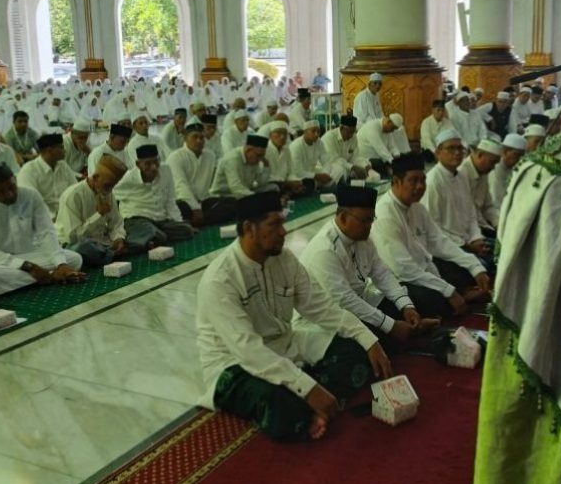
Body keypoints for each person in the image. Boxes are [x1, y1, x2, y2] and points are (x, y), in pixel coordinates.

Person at [196, 191, 393, 441]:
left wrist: (368, 340)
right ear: (249, 229)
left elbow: (323, 308)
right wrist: (307, 387)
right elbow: (247, 349)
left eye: (283, 223)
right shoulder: (220, 280)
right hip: (234, 364)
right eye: (274, 224)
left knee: (355, 354)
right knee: (276, 404)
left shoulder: (284, 260)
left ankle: (305, 404)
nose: (283, 231)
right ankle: (303, 400)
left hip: (285, 343)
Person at [300, 184, 438, 351]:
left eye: (372, 220)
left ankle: (411, 331)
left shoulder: (362, 238)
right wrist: (391, 325)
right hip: (330, 316)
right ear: (343, 218)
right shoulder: (324, 250)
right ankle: (412, 335)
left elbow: (382, 274)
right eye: (364, 220)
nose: (369, 226)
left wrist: (406, 306)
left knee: (417, 298)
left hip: (360, 302)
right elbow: (345, 301)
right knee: (364, 341)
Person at [371, 153, 491, 320]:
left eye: (423, 180)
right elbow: (403, 270)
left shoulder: (417, 207)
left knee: (470, 267)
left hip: (424, 270)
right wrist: (448, 290)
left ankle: (458, 297)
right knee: (431, 298)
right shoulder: (385, 214)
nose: (420, 186)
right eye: (414, 181)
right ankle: (455, 300)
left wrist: (475, 267)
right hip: (399, 281)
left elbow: (440, 243)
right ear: (397, 181)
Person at [0, 164, 86, 297]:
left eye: (12, 187)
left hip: (28, 254)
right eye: (1, 191)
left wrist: (61, 264)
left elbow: (46, 233)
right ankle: (51, 276)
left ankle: (29, 280)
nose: (9, 194)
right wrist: (29, 267)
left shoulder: (31, 196)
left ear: (15, 180)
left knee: (74, 259)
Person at [423, 130, 491, 261]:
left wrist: (476, 238)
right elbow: (433, 228)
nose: (457, 153)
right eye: (451, 148)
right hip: (446, 249)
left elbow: (471, 214)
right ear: (438, 153)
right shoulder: (432, 182)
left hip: (469, 242)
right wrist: (467, 246)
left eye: (460, 148)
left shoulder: (462, 176)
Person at [56, 155, 133, 267]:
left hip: (102, 242)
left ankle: (110, 253)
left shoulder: (107, 192)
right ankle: (113, 254)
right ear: (96, 177)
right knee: (83, 248)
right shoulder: (73, 195)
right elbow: (73, 237)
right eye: (107, 185)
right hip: (75, 244)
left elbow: (116, 222)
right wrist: (99, 215)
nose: (110, 189)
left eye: (113, 186)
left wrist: (118, 238)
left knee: (131, 231)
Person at [114, 144, 195, 248]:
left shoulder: (166, 170)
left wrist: (179, 222)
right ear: (138, 164)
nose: (153, 167)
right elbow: (109, 194)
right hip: (137, 219)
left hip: (160, 220)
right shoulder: (128, 179)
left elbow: (170, 201)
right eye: (148, 164)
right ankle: (137, 243)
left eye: (156, 162)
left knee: (186, 230)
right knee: (152, 231)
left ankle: (150, 240)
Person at [168, 122, 235, 226]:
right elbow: (181, 185)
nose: (199, 141)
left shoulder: (210, 156)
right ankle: (197, 220)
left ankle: (196, 221)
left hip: (204, 201)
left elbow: (216, 182)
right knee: (180, 209)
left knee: (233, 203)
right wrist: (195, 208)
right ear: (185, 138)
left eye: (201, 138)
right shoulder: (175, 157)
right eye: (194, 137)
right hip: (184, 202)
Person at [16, 133, 79, 219]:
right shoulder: (28, 171)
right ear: (50, 151)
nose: (64, 150)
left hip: (67, 214)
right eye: (61, 147)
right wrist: (52, 218)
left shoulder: (63, 166)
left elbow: (75, 190)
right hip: (42, 218)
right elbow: (31, 202)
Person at [209, 134, 276, 198]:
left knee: (273, 187)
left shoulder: (254, 159)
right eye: (258, 155)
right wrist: (256, 198)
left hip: (244, 193)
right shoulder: (232, 159)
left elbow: (261, 183)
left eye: (262, 156)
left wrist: (266, 166)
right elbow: (236, 188)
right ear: (248, 150)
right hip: (224, 196)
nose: (260, 159)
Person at [459, 138, 503, 232]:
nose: (493, 168)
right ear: (480, 155)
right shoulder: (461, 173)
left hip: (480, 226)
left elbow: (488, 206)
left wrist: (499, 224)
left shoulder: (483, 173)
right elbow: (466, 211)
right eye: (492, 162)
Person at [320, 115, 369, 183]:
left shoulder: (353, 137)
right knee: (340, 170)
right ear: (341, 127)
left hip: (345, 166)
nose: (351, 135)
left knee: (364, 164)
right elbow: (334, 160)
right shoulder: (329, 137)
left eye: (353, 132)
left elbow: (355, 157)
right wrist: (352, 167)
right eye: (349, 132)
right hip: (326, 167)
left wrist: (365, 166)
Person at [289, 120, 334, 192]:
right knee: (300, 183)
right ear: (305, 132)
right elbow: (298, 171)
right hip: (297, 176)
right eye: (313, 131)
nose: (316, 134)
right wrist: (317, 176)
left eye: (318, 131)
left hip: (312, 174)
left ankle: (315, 186)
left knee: (333, 175)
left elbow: (326, 162)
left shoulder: (319, 142)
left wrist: (325, 174)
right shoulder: (296, 146)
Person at [489, 134, 526, 210]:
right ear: (505, 152)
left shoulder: (514, 168)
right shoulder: (495, 169)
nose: (519, 159)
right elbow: (495, 201)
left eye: (521, 156)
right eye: (516, 155)